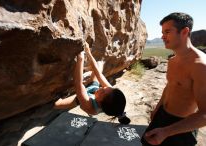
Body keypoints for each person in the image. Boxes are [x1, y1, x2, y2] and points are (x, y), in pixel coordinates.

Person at [141, 12, 206, 146]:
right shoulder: (172, 60)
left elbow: (205, 114)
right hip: (162, 115)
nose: (162, 36)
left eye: (167, 32)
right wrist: (158, 108)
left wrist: (167, 132)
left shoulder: (200, 66)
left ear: (184, 31)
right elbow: (170, 86)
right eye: (162, 32)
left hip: (182, 126)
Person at [54, 42, 131, 125]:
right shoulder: (109, 92)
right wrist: (88, 52)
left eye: (103, 91)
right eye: (107, 88)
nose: (103, 87)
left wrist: (80, 58)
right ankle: (86, 73)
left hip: (83, 99)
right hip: (92, 89)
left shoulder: (89, 106)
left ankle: (84, 76)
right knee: (100, 64)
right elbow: (98, 74)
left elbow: (78, 83)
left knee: (56, 104)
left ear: (100, 101)